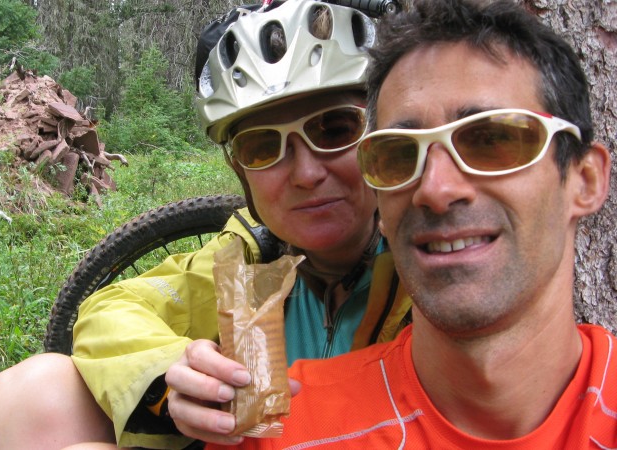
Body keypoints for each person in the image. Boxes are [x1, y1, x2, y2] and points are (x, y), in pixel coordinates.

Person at [0, 1, 413, 449]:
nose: (306, 173)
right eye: (262, 147)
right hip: (263, 438)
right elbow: (111, 310)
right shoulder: (254, 261)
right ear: (241, 171)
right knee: (27, 393)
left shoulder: (426, 265)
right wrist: (170, 371)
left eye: (335, 128)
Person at [205, 0, 617, 448]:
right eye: (401, 155)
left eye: (491, 140)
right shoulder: (282, 424)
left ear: (586, 180)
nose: (435, 188)